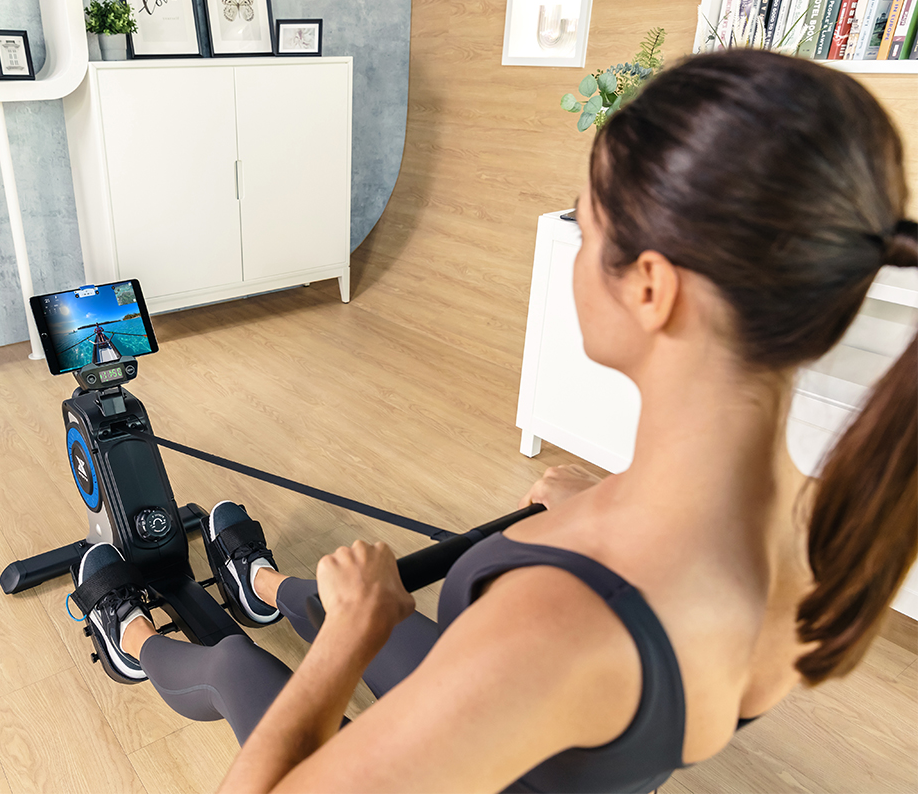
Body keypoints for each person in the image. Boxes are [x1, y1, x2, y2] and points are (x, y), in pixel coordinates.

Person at [72, 49, 918, 793]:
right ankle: (262, 587)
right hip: (562, 733)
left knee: (234, 664)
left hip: (527, 710)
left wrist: (349, 642)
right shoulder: (839, 517)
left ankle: (133, 638)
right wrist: (601, 504)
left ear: (651, 287)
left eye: (584, 224)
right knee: (337, 602)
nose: (576, 249)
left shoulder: (558, 621)